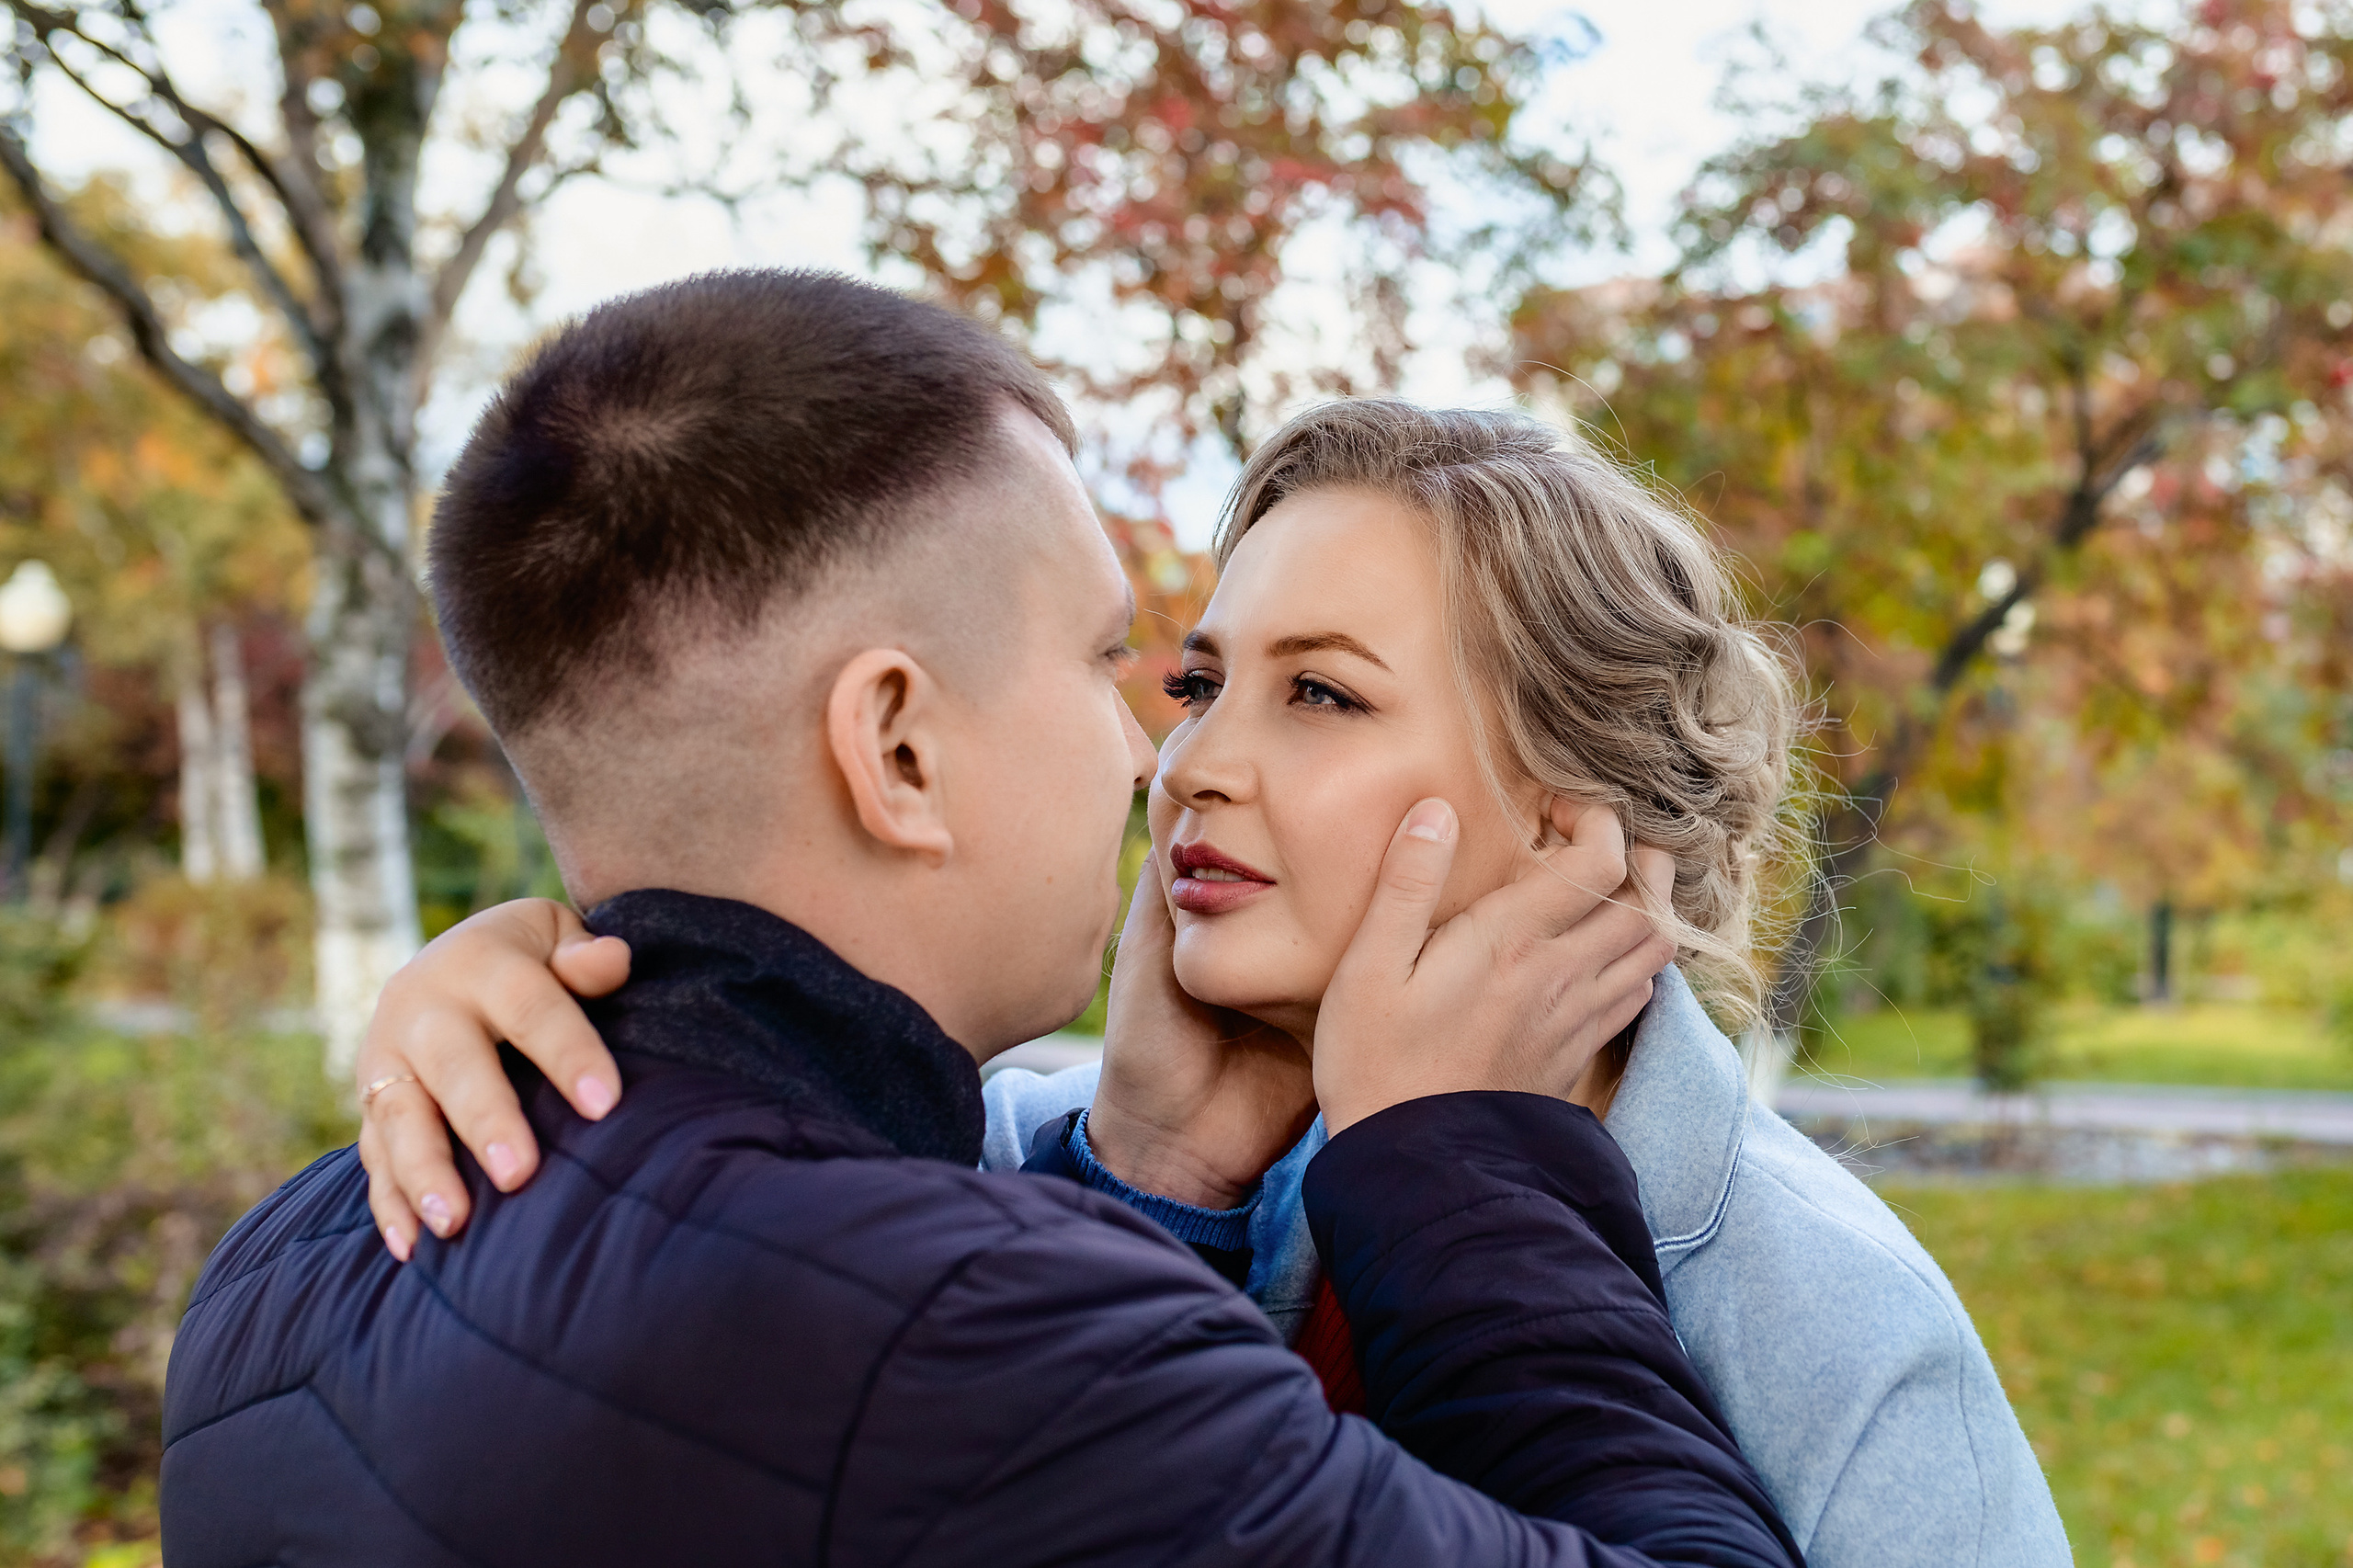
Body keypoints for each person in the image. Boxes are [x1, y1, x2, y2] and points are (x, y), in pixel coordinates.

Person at [160, 271, 1804, 1568]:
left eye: (1311, 691)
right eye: (1120, 669)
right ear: (896, 747)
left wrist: (1156, 1178)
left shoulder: (291, 1255)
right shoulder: (973, 1340)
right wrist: (1462, 1153)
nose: (1160, 760)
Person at [364, 398, 2076, 1567]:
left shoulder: (1824, 1311)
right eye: (1197, 680)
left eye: (1319, 695)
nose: (1187, 764)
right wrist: (543, 982)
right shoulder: (1022, 1158)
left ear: (1570, 824)